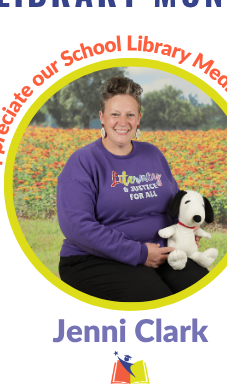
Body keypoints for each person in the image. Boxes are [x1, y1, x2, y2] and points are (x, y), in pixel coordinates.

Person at [56, 76, 208, 302]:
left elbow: (173, 205)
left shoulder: (153, 154)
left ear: (138, 119)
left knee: (199, 288)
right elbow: (77, 227)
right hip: (93, 259)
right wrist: (140, 253)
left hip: (163, 254)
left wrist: (186, 230)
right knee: (155, 299)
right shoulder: (83, 162)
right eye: (115, 114)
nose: (122, 121)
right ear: (102, 118)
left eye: (130, 115)